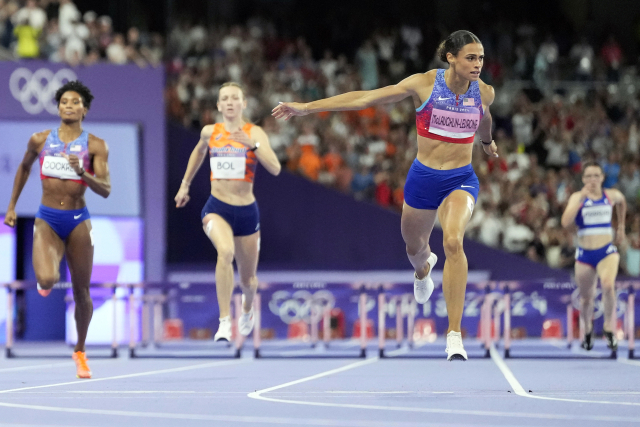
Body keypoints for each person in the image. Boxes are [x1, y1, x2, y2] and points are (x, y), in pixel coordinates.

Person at [273, 30, 498, 361]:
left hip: (460, 179)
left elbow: (485, 118)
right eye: (470, 57)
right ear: (451, 57)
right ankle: (423, 269)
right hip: (423, 178)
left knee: (453, 242)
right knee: (414, 246)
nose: (477, 64)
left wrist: (486, 141)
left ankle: (454, 334)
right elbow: (365, 98)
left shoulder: (485, 92)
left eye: (480, 58)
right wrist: (306, 108)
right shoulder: (423, 85)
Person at [4, 81, 111, 378]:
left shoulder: (96, 145)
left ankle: (80, 350)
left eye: (74, 101)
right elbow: (24, 168)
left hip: (78, 219)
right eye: (64, 101)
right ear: (58, 107)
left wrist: (82, 172)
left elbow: (105, 189)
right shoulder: (39, 140)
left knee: (82, 292)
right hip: (47, 218)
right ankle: (45, 279)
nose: (68, 105)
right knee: (48, 278)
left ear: (84, 109)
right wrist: (12, 206)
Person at [175, 82, 281, 342]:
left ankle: (246, 307)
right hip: (216, 207)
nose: (231, 102)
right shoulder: (210, 132)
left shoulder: (254, 131)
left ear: (243, 104)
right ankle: (225, 322)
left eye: (235, 98)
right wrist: (184, 185)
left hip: (246, 213)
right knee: (225, 252)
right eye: (225, 98)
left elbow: (276, 168)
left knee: (249, 280)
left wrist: (253, 144)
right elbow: (198, 154)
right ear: (219, 106)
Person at [561, 162, 626, 351]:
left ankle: (608, 327)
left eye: (596, 176)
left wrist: (621, 226)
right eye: (588, 176)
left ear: (602, 178)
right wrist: (580, 198)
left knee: (607, 284)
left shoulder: (610, 195)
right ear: (583, 179)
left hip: (606, 251)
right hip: (584, 254)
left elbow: (622, 202)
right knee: (586, 299)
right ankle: (587, 330)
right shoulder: (577, 197)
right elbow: (565, 222)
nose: (592, 180)